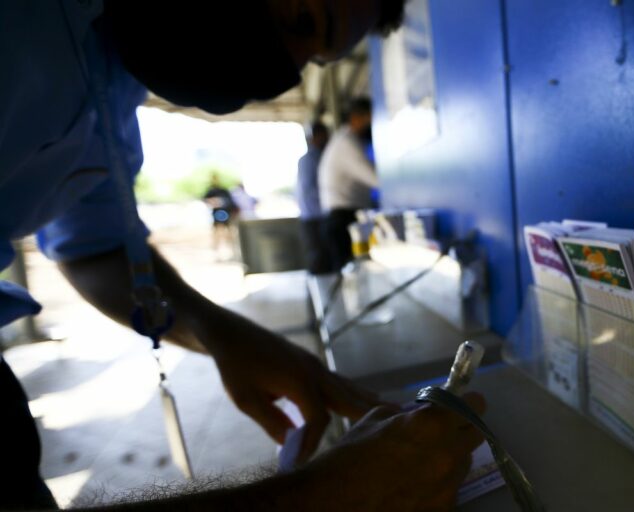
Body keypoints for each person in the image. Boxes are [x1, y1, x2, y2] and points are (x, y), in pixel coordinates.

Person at [0, 1, 485, 510]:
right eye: (303, 23)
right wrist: (328, 496)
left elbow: (94, 247)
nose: (284, 74)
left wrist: (222, 332)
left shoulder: (111, 79)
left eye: (313, 60)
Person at [319, 98, 379, 272]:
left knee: (352, 275)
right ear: (356, 117)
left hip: (343, 217)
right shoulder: (347, 143)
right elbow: (374, 178)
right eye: (369, 119)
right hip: (343, 220)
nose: (370, 125)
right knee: (352, 276)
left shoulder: (347, 140)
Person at [296, 122, 332, 274]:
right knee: (319, 261)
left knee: (320, 260)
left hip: (314, 218)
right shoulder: (311, 158)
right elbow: (310, 190)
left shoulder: (315, 157)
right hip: (315, 219)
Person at [202, 174, 239, 259]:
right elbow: (205, 200)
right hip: (216, 215)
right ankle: (217, 254)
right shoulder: (210, 191)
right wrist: (213, 202)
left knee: (229, 234)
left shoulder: (224, 190)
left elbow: (231, 202)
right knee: (217, 234)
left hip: (226, 215)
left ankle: (232, 253)